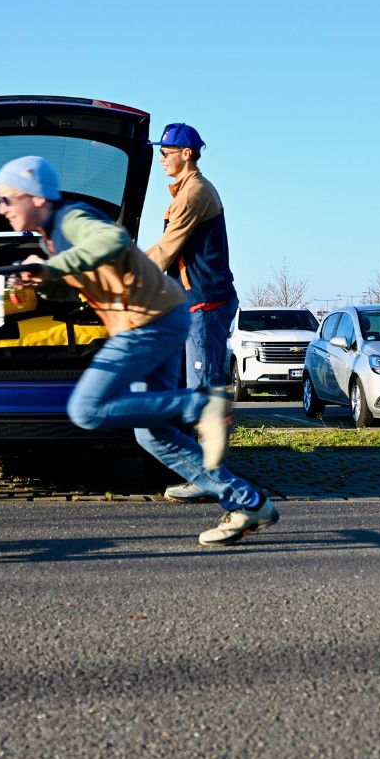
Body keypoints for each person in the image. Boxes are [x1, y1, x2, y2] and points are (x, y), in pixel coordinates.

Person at [0, 155, 276, 546]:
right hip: (159, 316)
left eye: (8, 198)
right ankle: (248, 502)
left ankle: (200, 406)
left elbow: (113, 241)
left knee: (86, 409)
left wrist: (54, 266)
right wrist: (41, 279)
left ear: (37, 197)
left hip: (147, 321)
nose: (1, 208)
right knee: (152, 436)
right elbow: (78, 284)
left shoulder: (71, 218)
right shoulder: (50, 236)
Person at [145, 123, 241, 505]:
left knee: (205, 391)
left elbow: (167, 251)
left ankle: (211, 478)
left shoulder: (195, 192)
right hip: (193, 304)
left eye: (166, 151)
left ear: (187, 153)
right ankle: (196, 469)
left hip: (206, 304)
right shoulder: (184, 192)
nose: (161, 158)